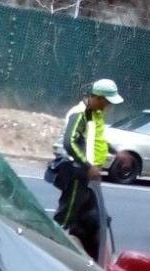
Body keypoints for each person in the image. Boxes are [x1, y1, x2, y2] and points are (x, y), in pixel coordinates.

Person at [52, 79, 124, 259]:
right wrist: (88, 165)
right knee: (67, 215)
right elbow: (70, 143)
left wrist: (117, 152)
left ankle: (93, 257)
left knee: (95, 215)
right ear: (98, 98)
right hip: (75, 171)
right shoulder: (81, 114)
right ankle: (51, 247)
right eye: (107, 101)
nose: (108, 106)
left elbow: (95, 141)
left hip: (87, 174)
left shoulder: (94, 114)